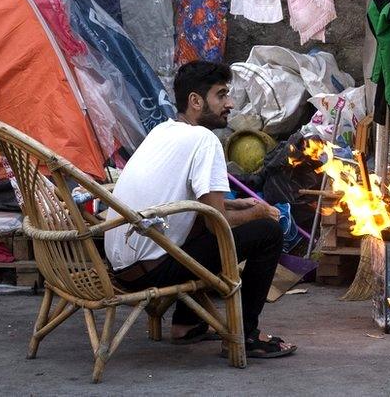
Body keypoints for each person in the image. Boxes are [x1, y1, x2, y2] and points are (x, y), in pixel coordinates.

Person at [104, 60, 296, 358]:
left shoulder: (162, 131)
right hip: (153, 269)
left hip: (124, 268)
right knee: (268, 232)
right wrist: (258, 213)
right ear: (196, 101)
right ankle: (245, 336)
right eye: (221, 95)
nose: (230, 103)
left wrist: (235, 202)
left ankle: (186, 325)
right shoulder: (205, 140)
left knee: (198, 227)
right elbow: (215, 223)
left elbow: (190, 203)